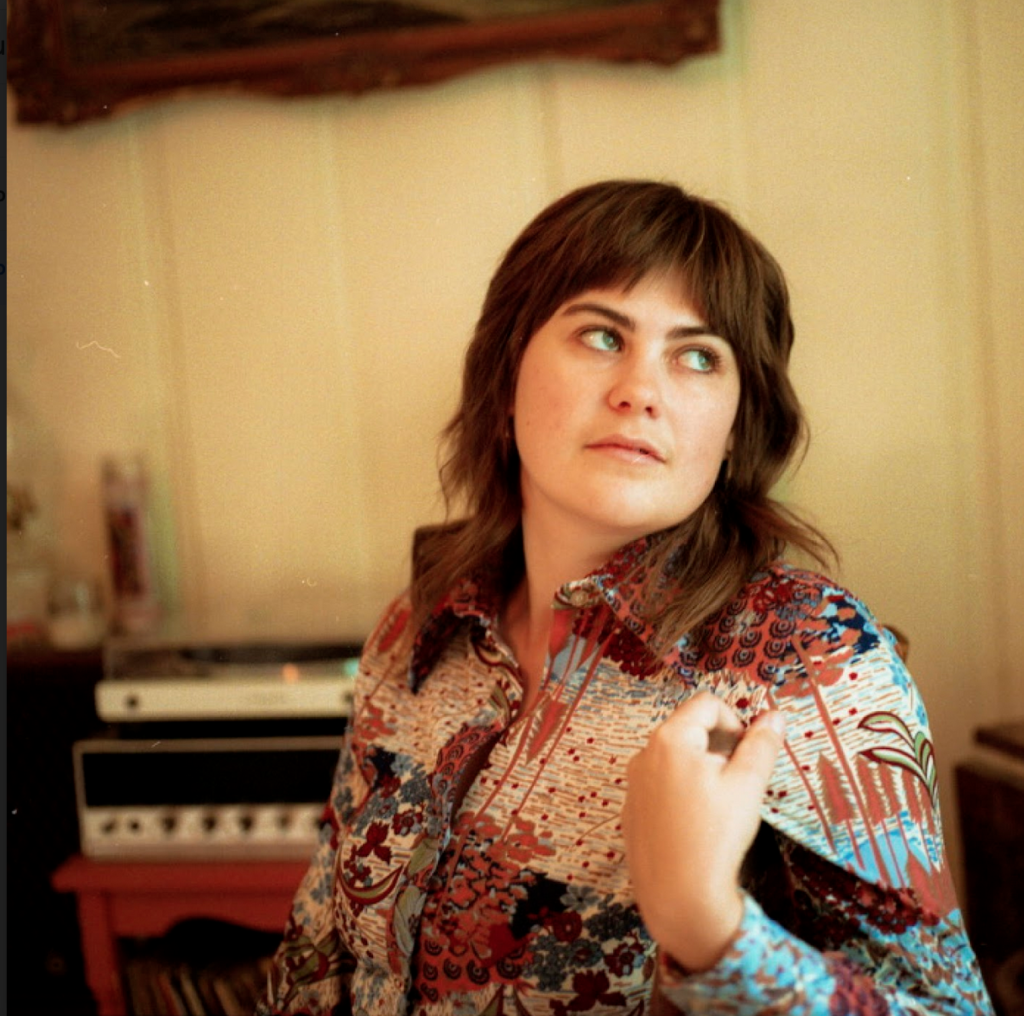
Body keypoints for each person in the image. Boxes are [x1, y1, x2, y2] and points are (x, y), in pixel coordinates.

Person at [258, 180, 993, 1015]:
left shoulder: (805, 653)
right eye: (602, 335)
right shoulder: (417, 627)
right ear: (506, 376)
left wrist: (709, 930)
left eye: (697, 355)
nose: (640, 389)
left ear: (736, 428)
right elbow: (318, 951)